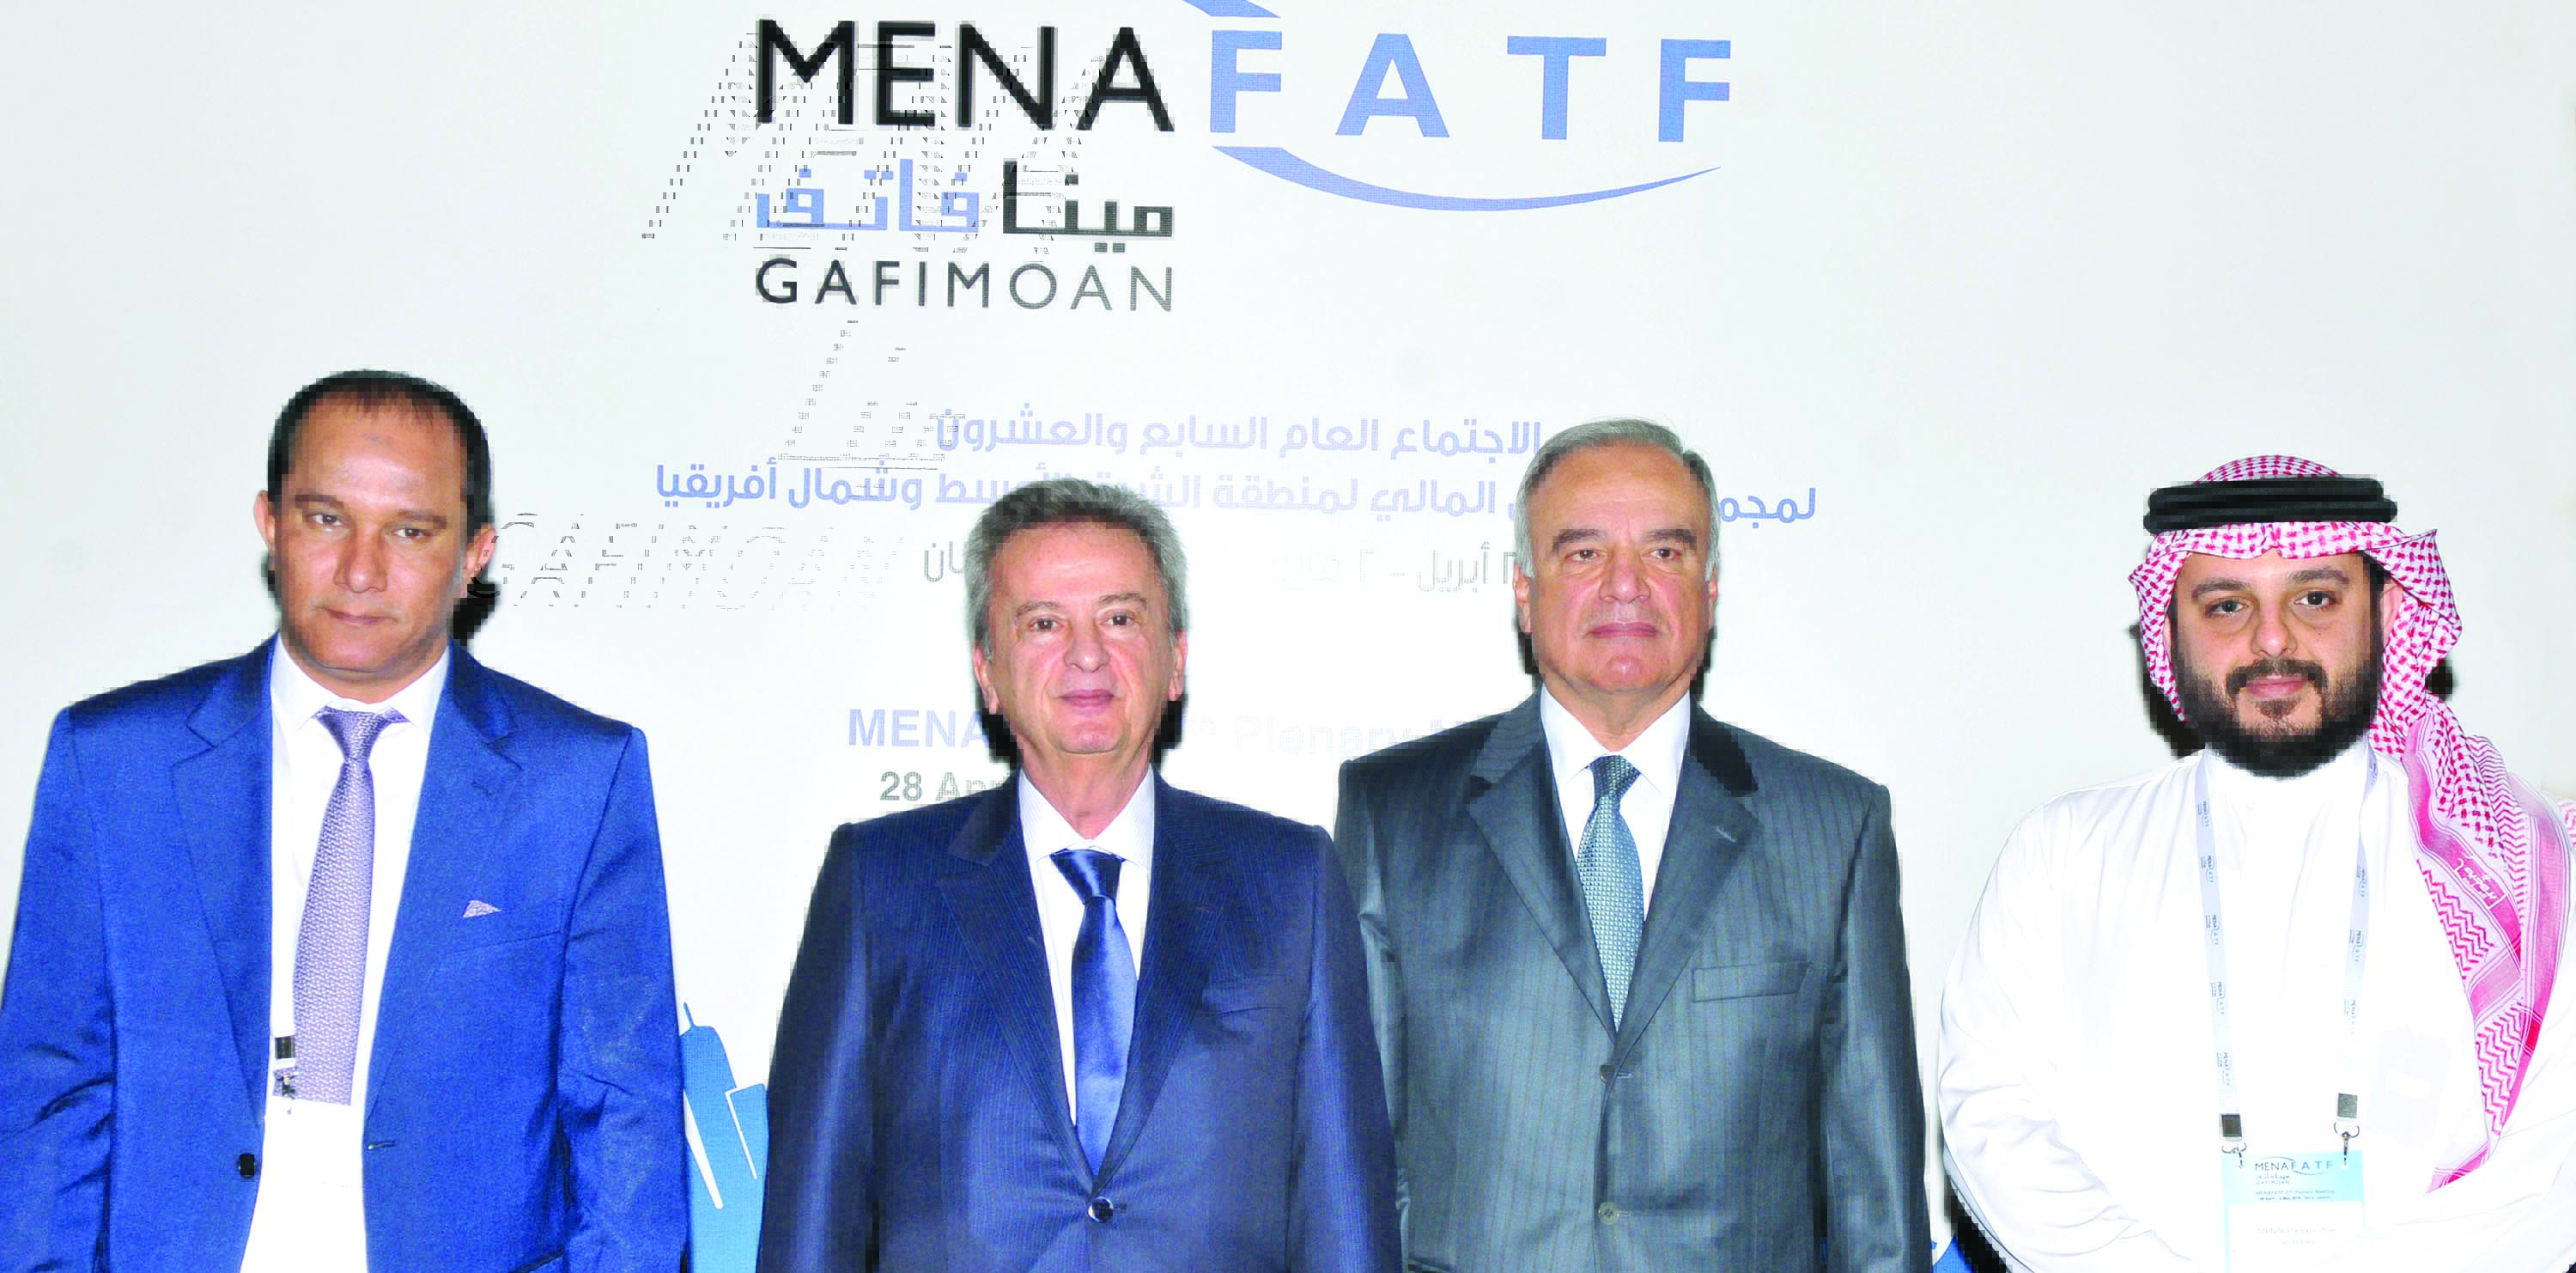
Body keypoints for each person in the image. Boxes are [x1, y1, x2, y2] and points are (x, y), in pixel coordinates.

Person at [0, 370, 687, 1270]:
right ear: (270, 523)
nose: (361, 571)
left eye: (410, 531)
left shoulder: (577, 779)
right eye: (326, 519)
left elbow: (625, 1115)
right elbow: (50, 1088)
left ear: (475, 553)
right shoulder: (114, 763)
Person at [1941, 455, 2576, 1270]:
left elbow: (2553, 1158)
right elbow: (1993, 1111)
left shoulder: (2517, 861)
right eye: (2227, 605)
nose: (2272, 639)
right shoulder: (2064, 853)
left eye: (2315, 598)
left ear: (2387, 613)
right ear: (2170, 629)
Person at [1333, 419, 1930, 1271]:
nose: (1625, 586)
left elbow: (1875, 1198)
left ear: (1710, 591)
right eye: (1583, 553)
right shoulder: (1395, 813)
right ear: (1525, 592)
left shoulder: (1835, 827)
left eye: (1665, 552)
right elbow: (1354, 1163)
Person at [758, 478, 1397, 1272]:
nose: (1087, 654)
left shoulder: (1289, 882)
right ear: (987, 673)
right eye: (1043, 623)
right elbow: (812, 1217)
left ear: (1175, 661)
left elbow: (1344, 1210)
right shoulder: (879, 883)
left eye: (1120, 618)